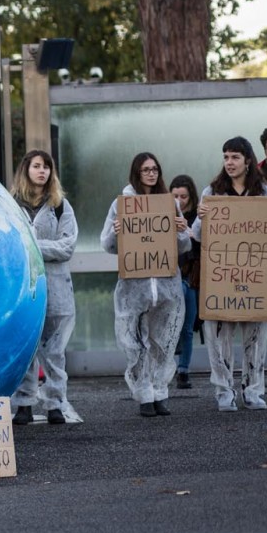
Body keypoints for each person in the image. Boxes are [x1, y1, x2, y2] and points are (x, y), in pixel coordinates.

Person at [100, 152, 190, 417]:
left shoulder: (169, 204)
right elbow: (107, 244)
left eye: (155, 169)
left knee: (162, 341)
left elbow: (182, 247)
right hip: (135, 288)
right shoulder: (122, 204)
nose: (151, 173)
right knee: (136, 344)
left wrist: (182, 229)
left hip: (166, 286)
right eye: (146, 170)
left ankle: (160, 392)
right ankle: (143, 395)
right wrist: (116, 233)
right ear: (136, 173)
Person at [192, 137, 267, 412]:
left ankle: (252, 391)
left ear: (248, 160)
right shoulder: (211, 192)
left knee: (256, 338)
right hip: (221, 278)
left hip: (255, 277)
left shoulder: (266, 193)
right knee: (218, 339)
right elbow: (198, 235)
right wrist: (201, 217)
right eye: (225, 157)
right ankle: (224, 392)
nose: (229, 163)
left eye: (235, 157)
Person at [9, 150, 77, 426]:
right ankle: (24, 403)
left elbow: (67, 246)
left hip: (57, 287)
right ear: (26, 170)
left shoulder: (61, 206)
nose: (42, 171)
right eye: (37, 166)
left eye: (46, 167)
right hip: (25, 287)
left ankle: (55, 404)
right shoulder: (11, 203)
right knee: (26, 348)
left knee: (55, 351)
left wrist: (34, 246)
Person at [169, 175, 200, 390]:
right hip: (171, 277)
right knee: (169, 326)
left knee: (188, 327)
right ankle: (168, 367)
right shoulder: (162, 215)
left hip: (190, 278)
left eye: (183, 197)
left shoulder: (197, 217)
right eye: (175, 196)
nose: (179, 201)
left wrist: (190, 233)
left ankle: (183, 370)